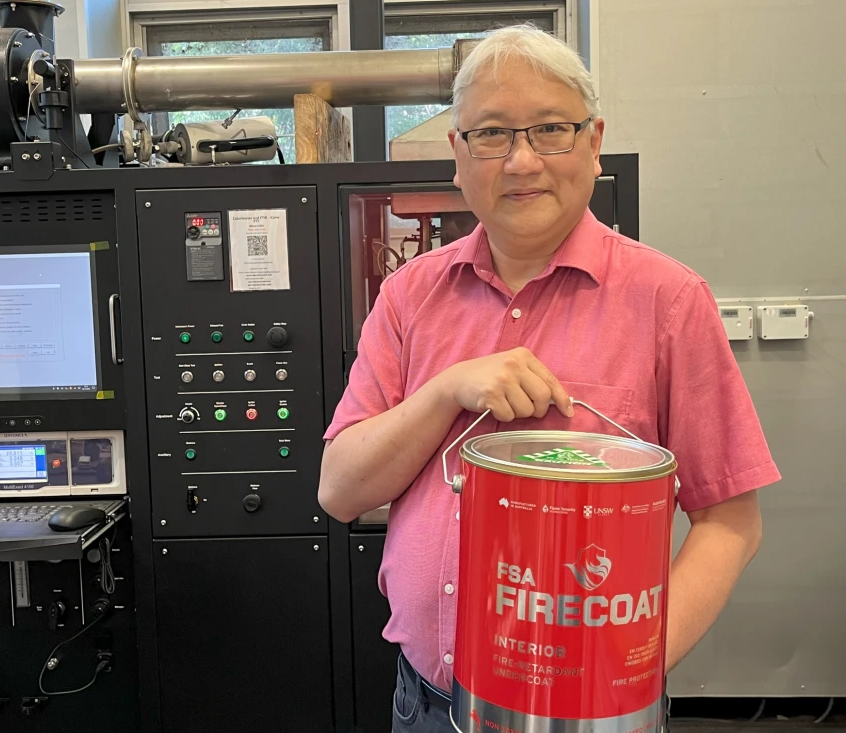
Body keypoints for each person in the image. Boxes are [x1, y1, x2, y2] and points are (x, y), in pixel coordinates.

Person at [318, 24, 779, 732]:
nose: (523, 160)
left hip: (586, 713)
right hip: (425, 704)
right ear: (458, 155)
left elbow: (730, 522)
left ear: (593, 143)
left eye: (551, 130)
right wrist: (445, 392)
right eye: (493, 134)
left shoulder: (668, 300)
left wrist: (627, 666)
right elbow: (340, 488)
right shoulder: (409, 296)